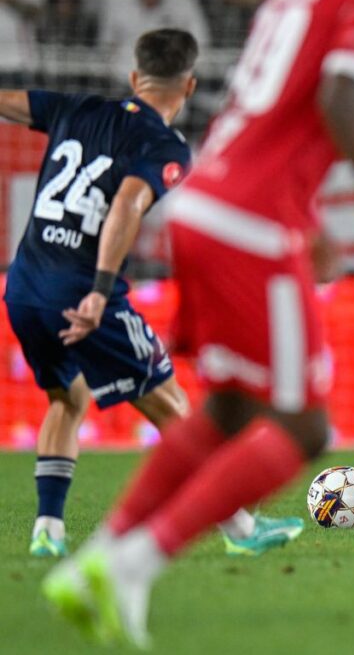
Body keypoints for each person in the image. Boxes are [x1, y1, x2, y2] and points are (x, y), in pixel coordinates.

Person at [42, 0, 354, 647]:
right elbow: (340, 97)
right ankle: (131, 564)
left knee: (228, 408)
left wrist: (307, 220)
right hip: (253, 221)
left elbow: (271, 108)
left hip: (207, 202)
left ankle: (99, 555)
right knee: (303, 425)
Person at [0, 29, 296, 560]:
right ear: (189, 85)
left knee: (68, 398)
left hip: (22, 287)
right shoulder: (165, 146)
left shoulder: (77, 108)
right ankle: (240, 528)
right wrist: (98, 291)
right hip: (83, 291)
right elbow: (128, 203)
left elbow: (11, 102)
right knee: (173, 405)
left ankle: (48, 529)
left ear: (135, 77)